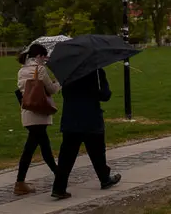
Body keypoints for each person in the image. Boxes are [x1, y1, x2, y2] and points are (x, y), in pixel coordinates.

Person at [51, 68, 121, 200]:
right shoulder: (96, 71)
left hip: (71, 120)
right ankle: (104, 178)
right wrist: (103, 83)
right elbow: (105, 95)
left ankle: (59, 187)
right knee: (98, 152)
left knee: (66, 157)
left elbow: (65, 94)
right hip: (91, 119)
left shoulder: (67, 73)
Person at [14, 43, 61, 195]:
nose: (45, 60)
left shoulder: (22, 70)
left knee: (42, 146)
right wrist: (59, 81)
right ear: (39, 56)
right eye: (44, 57)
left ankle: (59, 174)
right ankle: (20, 182)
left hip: (28, 112)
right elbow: (52, 90)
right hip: (38, 113)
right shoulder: (39, 69)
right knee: (32, 149)